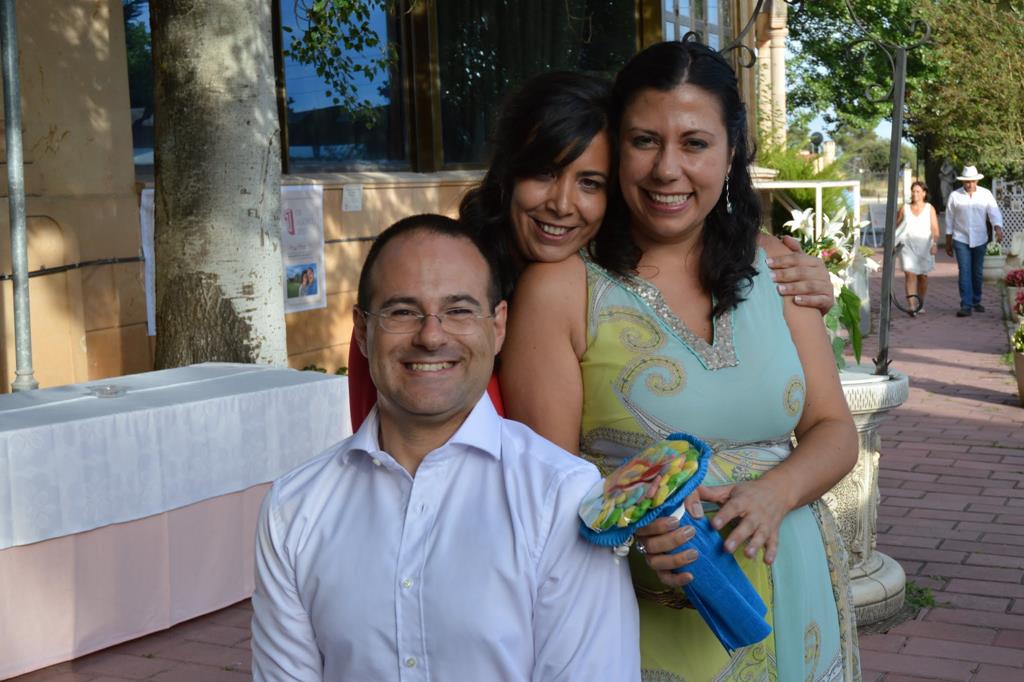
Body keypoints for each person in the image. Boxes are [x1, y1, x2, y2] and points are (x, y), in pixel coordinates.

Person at [500, 39, 861, 681]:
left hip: (797, 586)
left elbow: (834, 429)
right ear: (617, 147)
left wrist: (776, 494)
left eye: (695, 143)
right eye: (644, 141)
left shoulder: (777, 265)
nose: (668, 169)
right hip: (648, 611)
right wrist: (638, 541)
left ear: (732, 152)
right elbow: (545, 494)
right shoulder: (560, 289)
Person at [251, 214, 641, 681]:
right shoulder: (294, 509)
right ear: (362, 330)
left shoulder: (562, 496)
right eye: (402, 311)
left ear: (498, 326)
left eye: (459, 311)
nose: (431, 336)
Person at [346, 71, 837, 431]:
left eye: (590, 183)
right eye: (544, 173)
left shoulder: (596, 290)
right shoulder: (429, 291)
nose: (562, 205)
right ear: (507, 173)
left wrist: (796, 288)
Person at [944, 165, 1005, 317]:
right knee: (964, 271)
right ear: (962, 182)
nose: (969, 184)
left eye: (972, 181)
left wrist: (998, 228)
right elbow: (949, 220)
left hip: (980, 238)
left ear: (977, 181)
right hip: (960, 238)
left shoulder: (985, 194)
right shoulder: (955, 196)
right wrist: (948, 242)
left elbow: (994, 212)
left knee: (977, 273)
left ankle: (976, 300)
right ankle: (966, 304)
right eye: (967, 181)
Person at [897, 180, 940, 315]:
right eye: (913, 191)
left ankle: (920, 303)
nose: (915, 194)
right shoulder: (904, 208)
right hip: (907, 246)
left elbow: (935, 229)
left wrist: (934, 244)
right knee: (910, 273)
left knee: (923, 276)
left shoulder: (929, 209)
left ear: (924, 193)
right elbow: (896, 226)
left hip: (925, 246)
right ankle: (912, 306)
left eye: (918, 191)